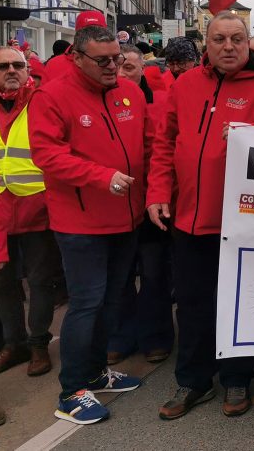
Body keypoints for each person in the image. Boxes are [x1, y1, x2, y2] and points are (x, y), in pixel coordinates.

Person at [147, 12, 254, 420]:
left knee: (241, 304)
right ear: (206, 46)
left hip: (243, 223)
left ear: (249, 43)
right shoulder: (184, 85)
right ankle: (194, 381)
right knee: (193, 304)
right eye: (219, 39)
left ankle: (237, 378)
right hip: (189, 219)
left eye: (236, 38)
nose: (228, 46)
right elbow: (165, 142)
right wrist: (158, 191)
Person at [28, 26, 152, 425]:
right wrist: (102, 177)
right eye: (103, 61)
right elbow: (46, 155)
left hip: (126, 218)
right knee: (86, 303)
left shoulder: (130, 92)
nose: (114, 66)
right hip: (80, 223)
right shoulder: (52, 96)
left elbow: (148, 146)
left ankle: (97, 372)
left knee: (112, 300)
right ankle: (72, 391)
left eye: (117, 58)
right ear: (77, 58)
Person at [107, 45, 173, 367]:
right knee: (119, 278)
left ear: (142, 71)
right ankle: (121, 336)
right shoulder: (104, 99)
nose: (121, 72)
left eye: (129, 67)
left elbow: (158, 150)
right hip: (114, 204)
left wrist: (155, 195)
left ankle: (156, 337)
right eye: (118, 66)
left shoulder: (157, 103)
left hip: (148, 204)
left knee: (154, 274)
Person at [0, 47, 55, 378]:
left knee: (40, 280)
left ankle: (37, 344)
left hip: (37, 207)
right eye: (3, 66)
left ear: (28, 69)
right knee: (1, 283)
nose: (11, 70)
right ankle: (13, 344)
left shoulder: (40, 102)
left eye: (18, 65)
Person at [40, 11, 107, 84]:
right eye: (87, 33)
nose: (93, 38)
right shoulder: (54, 64)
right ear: (77, 35)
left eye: (98, 33)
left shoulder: (113, 63)